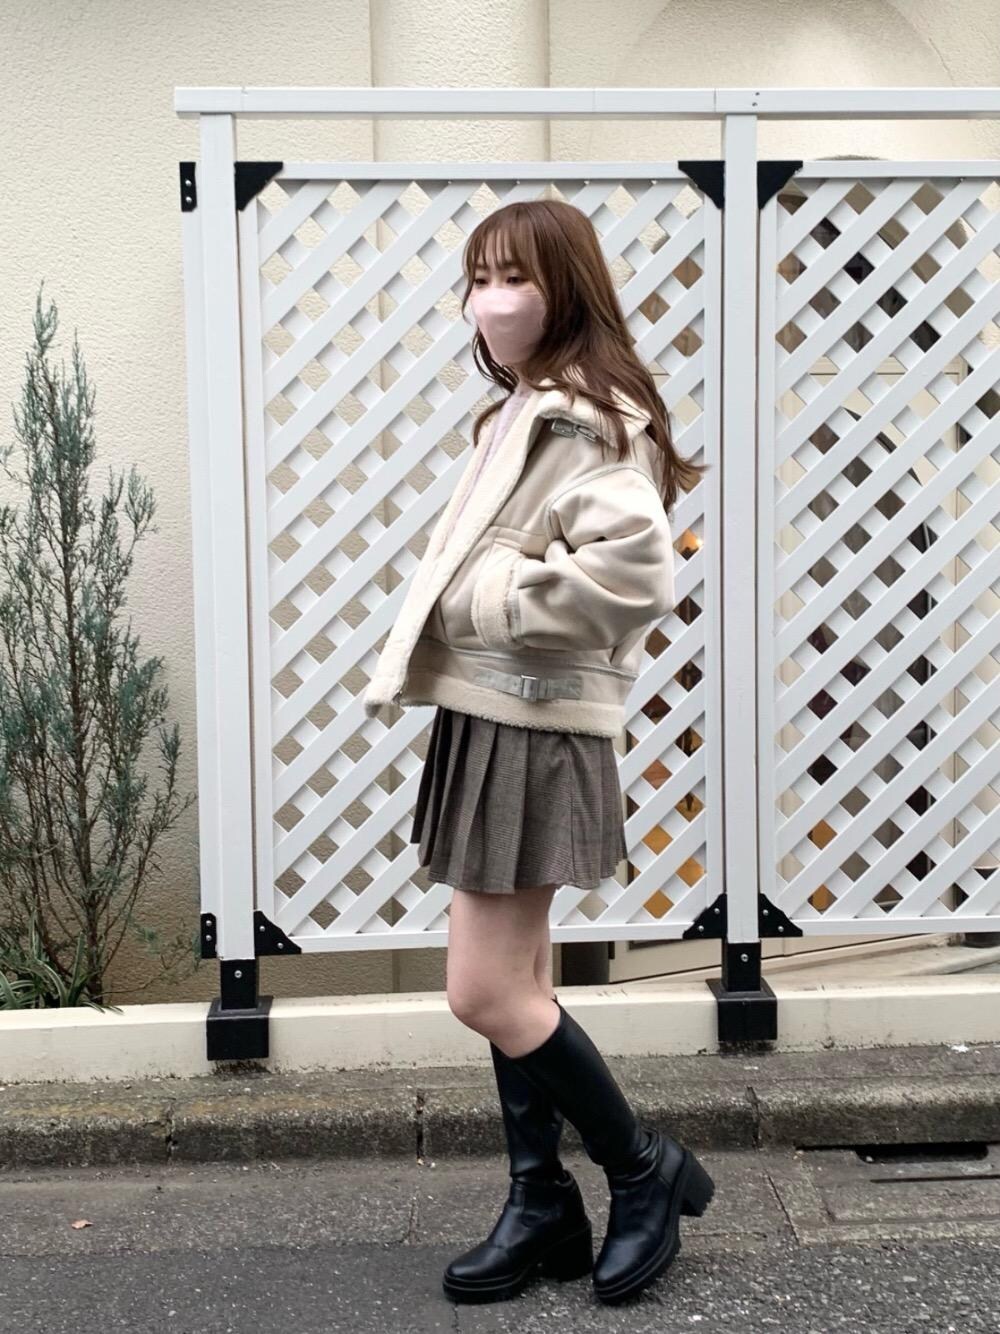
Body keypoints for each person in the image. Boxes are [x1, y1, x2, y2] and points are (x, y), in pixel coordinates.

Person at [363, 199, 713, 1306]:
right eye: (477, 278)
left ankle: (641, 1168)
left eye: (513, 276)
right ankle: (540, 1198)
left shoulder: (585, 420)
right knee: (519, 982)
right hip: (496, 711)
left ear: (566, 288)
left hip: (533, 719)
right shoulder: (521, 411)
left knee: (482, 992)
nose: (490, 300)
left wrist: (486, 597)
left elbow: (634, 576)